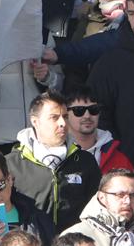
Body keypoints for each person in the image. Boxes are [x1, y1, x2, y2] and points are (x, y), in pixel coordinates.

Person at [10, 92, 101, 232]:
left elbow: (98, 208)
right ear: (35, 122)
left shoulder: (85, 160)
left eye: (65, 116)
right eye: (54, 117)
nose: (63, 123)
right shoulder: (11, 164)